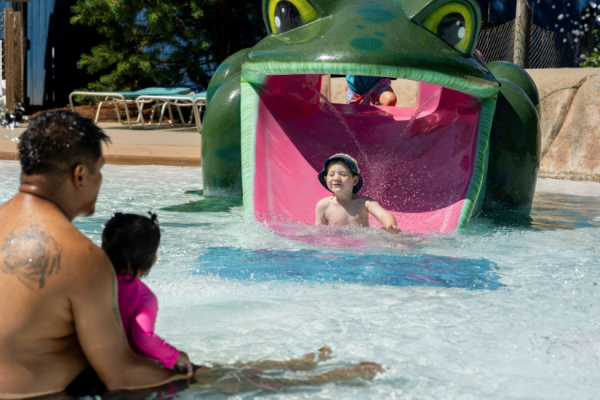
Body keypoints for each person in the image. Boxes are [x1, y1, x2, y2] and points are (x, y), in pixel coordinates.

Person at [0, 111, 187, 398]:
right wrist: (197, 374)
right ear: (80, 175)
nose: (100, 180)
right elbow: (121, 375)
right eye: (99, 170)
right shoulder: (82, 259)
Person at [101, 212, 194, 376]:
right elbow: (143, 337)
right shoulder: (142, 295)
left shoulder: (93, 286)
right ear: (153, 261)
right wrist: (176, 355)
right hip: (130, 372)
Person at [315, 154, 400, 233]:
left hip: (362, 247)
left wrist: (390, 226)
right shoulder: (323, 205)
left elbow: (385, 215)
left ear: (355, 180)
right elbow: (318, 233)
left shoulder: (365, 203)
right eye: (332, 174)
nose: (336, 178)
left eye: (343, 174)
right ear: (326, 179)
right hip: (335, 247)